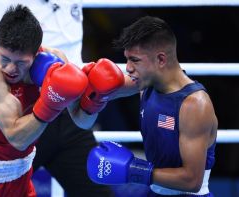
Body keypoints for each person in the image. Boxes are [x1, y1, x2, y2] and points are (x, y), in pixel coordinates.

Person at [0, 0, 115, 196]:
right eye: (6, 60)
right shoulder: (4, 6)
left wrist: (95, 99)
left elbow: (83, 121)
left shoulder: (70, 6)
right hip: (15, 122)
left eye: (20, 61)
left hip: (64, 113)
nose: (10, 67)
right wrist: (45, 100)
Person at [87, 16, 218, 196]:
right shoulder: (146, 84)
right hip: (153, 191)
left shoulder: (194, 105)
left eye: (135, 60)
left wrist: (134, 170)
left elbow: (192, 180)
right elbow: (100, 90)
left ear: (161, 60)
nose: (128, 68)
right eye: (127, 59)